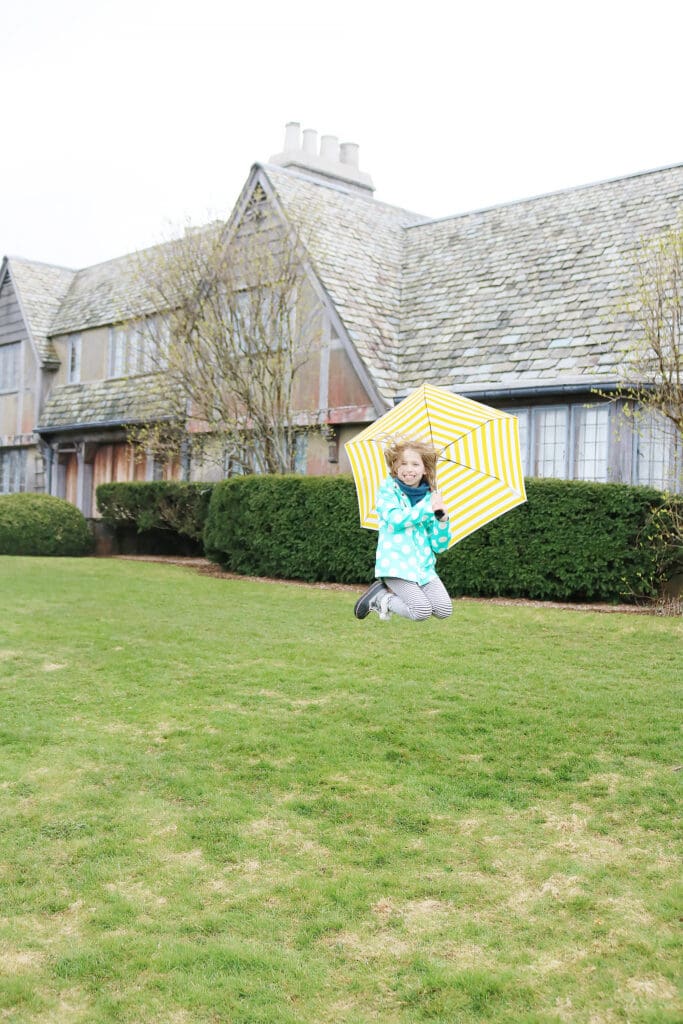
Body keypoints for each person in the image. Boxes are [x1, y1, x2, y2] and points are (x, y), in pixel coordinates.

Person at [354, 437, 453, 622]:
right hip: (395, 566)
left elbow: (439, 546)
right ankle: (381, 598)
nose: (409, 469)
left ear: (425, 469)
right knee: (421, 612)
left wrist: (442, 520)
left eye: (415, 464)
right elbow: (394, 519)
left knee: (444, 609)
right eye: (403, 463)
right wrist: (426, 510)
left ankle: (382, 596)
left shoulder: (431, 498)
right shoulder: (388, 490)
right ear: (395, 468)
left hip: (423, 568)